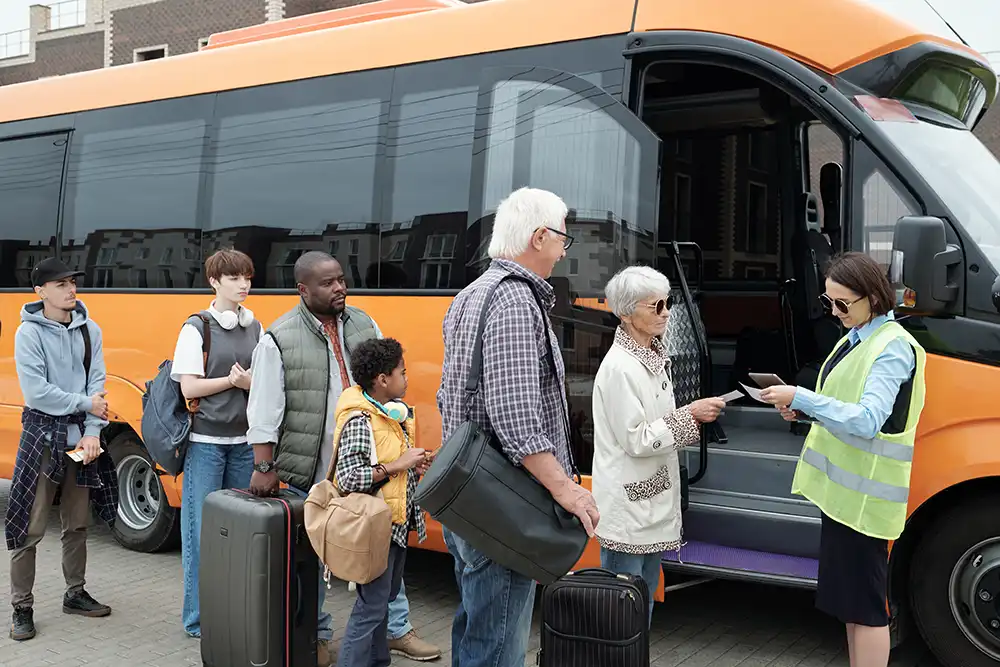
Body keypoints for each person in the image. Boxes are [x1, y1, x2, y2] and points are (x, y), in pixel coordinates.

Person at [246, 251, 439, 666]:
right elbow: (264, 408)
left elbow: (386, 375)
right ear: (303, 289)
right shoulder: (278, 337)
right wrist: (264, 466)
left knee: (384, 559)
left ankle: (396, 631)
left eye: (341, 279)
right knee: (320, 556)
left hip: (373, 471)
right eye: (328, 283)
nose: (339, 288)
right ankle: (318, 637)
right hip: (315, 471)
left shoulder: (364, 322)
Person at [437, 187, 600, 667]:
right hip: (504, 504)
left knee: (476, 628)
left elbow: (452, 396)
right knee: (497, 648)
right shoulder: (513, 301)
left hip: (471, 495)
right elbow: (515, 418)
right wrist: (566, 490)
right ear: (539, 237)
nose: (563, 252)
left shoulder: (472, 294)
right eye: (563, 240)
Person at [758, 252, 926, 667]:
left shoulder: (892, 347)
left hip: (864, 503)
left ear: (873, 298)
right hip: (846, 499)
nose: (833, 312)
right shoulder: (859, 337)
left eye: (842, 304)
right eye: (828, 301)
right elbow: (846, 405)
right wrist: (805, 411)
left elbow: (868, 420)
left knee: (866, 609)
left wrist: (802, 398)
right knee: (854, 606)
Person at [591, 266, 725, 624]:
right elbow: (637, 438)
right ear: (625, 314)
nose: (666, 313)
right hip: (629, 512)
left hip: (647, 505)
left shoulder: (650, 356)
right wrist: (690, 415)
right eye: (656, 306)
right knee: (622, 615)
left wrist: (688, 415)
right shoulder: (620, 368)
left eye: (669, 303)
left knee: (641, 604)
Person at [6, 258, 118, 641]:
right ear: (40, 292)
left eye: (72, 282)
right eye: (60, 284)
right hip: (42, 436)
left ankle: (75, 594)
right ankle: (22, 608)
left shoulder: (90, 329)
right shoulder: (28, 333)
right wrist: (86, 406)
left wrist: (92, 433)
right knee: (29, 527)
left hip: (81, 439)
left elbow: (98, 384)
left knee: (78, 522)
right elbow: (37, 393)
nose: (71, 289)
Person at [171, 248, 261, 638]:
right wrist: (232, 381)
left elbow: (263, 382)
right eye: (234, 278)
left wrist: (250, 383)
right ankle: (197, 619)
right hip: (206, 443)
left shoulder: (255, 327)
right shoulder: (197, 328)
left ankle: (233, 613)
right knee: (201, 533)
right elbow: (189, 387)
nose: (243, 285)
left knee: (240, 533)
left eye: (247, 277)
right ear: (214, 282)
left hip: (244, 442)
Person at [332, 338, 431, 667]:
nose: (407, 378)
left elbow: (388, 463)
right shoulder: (361, 420)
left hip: (394, 525)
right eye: (402, 372)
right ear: (382, 379)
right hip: (375, 528)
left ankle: (378, 660)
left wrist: (412, 465)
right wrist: (398, 465)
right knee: (371, 606)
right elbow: (348, 477)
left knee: (381, 602)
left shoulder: (389, 416)